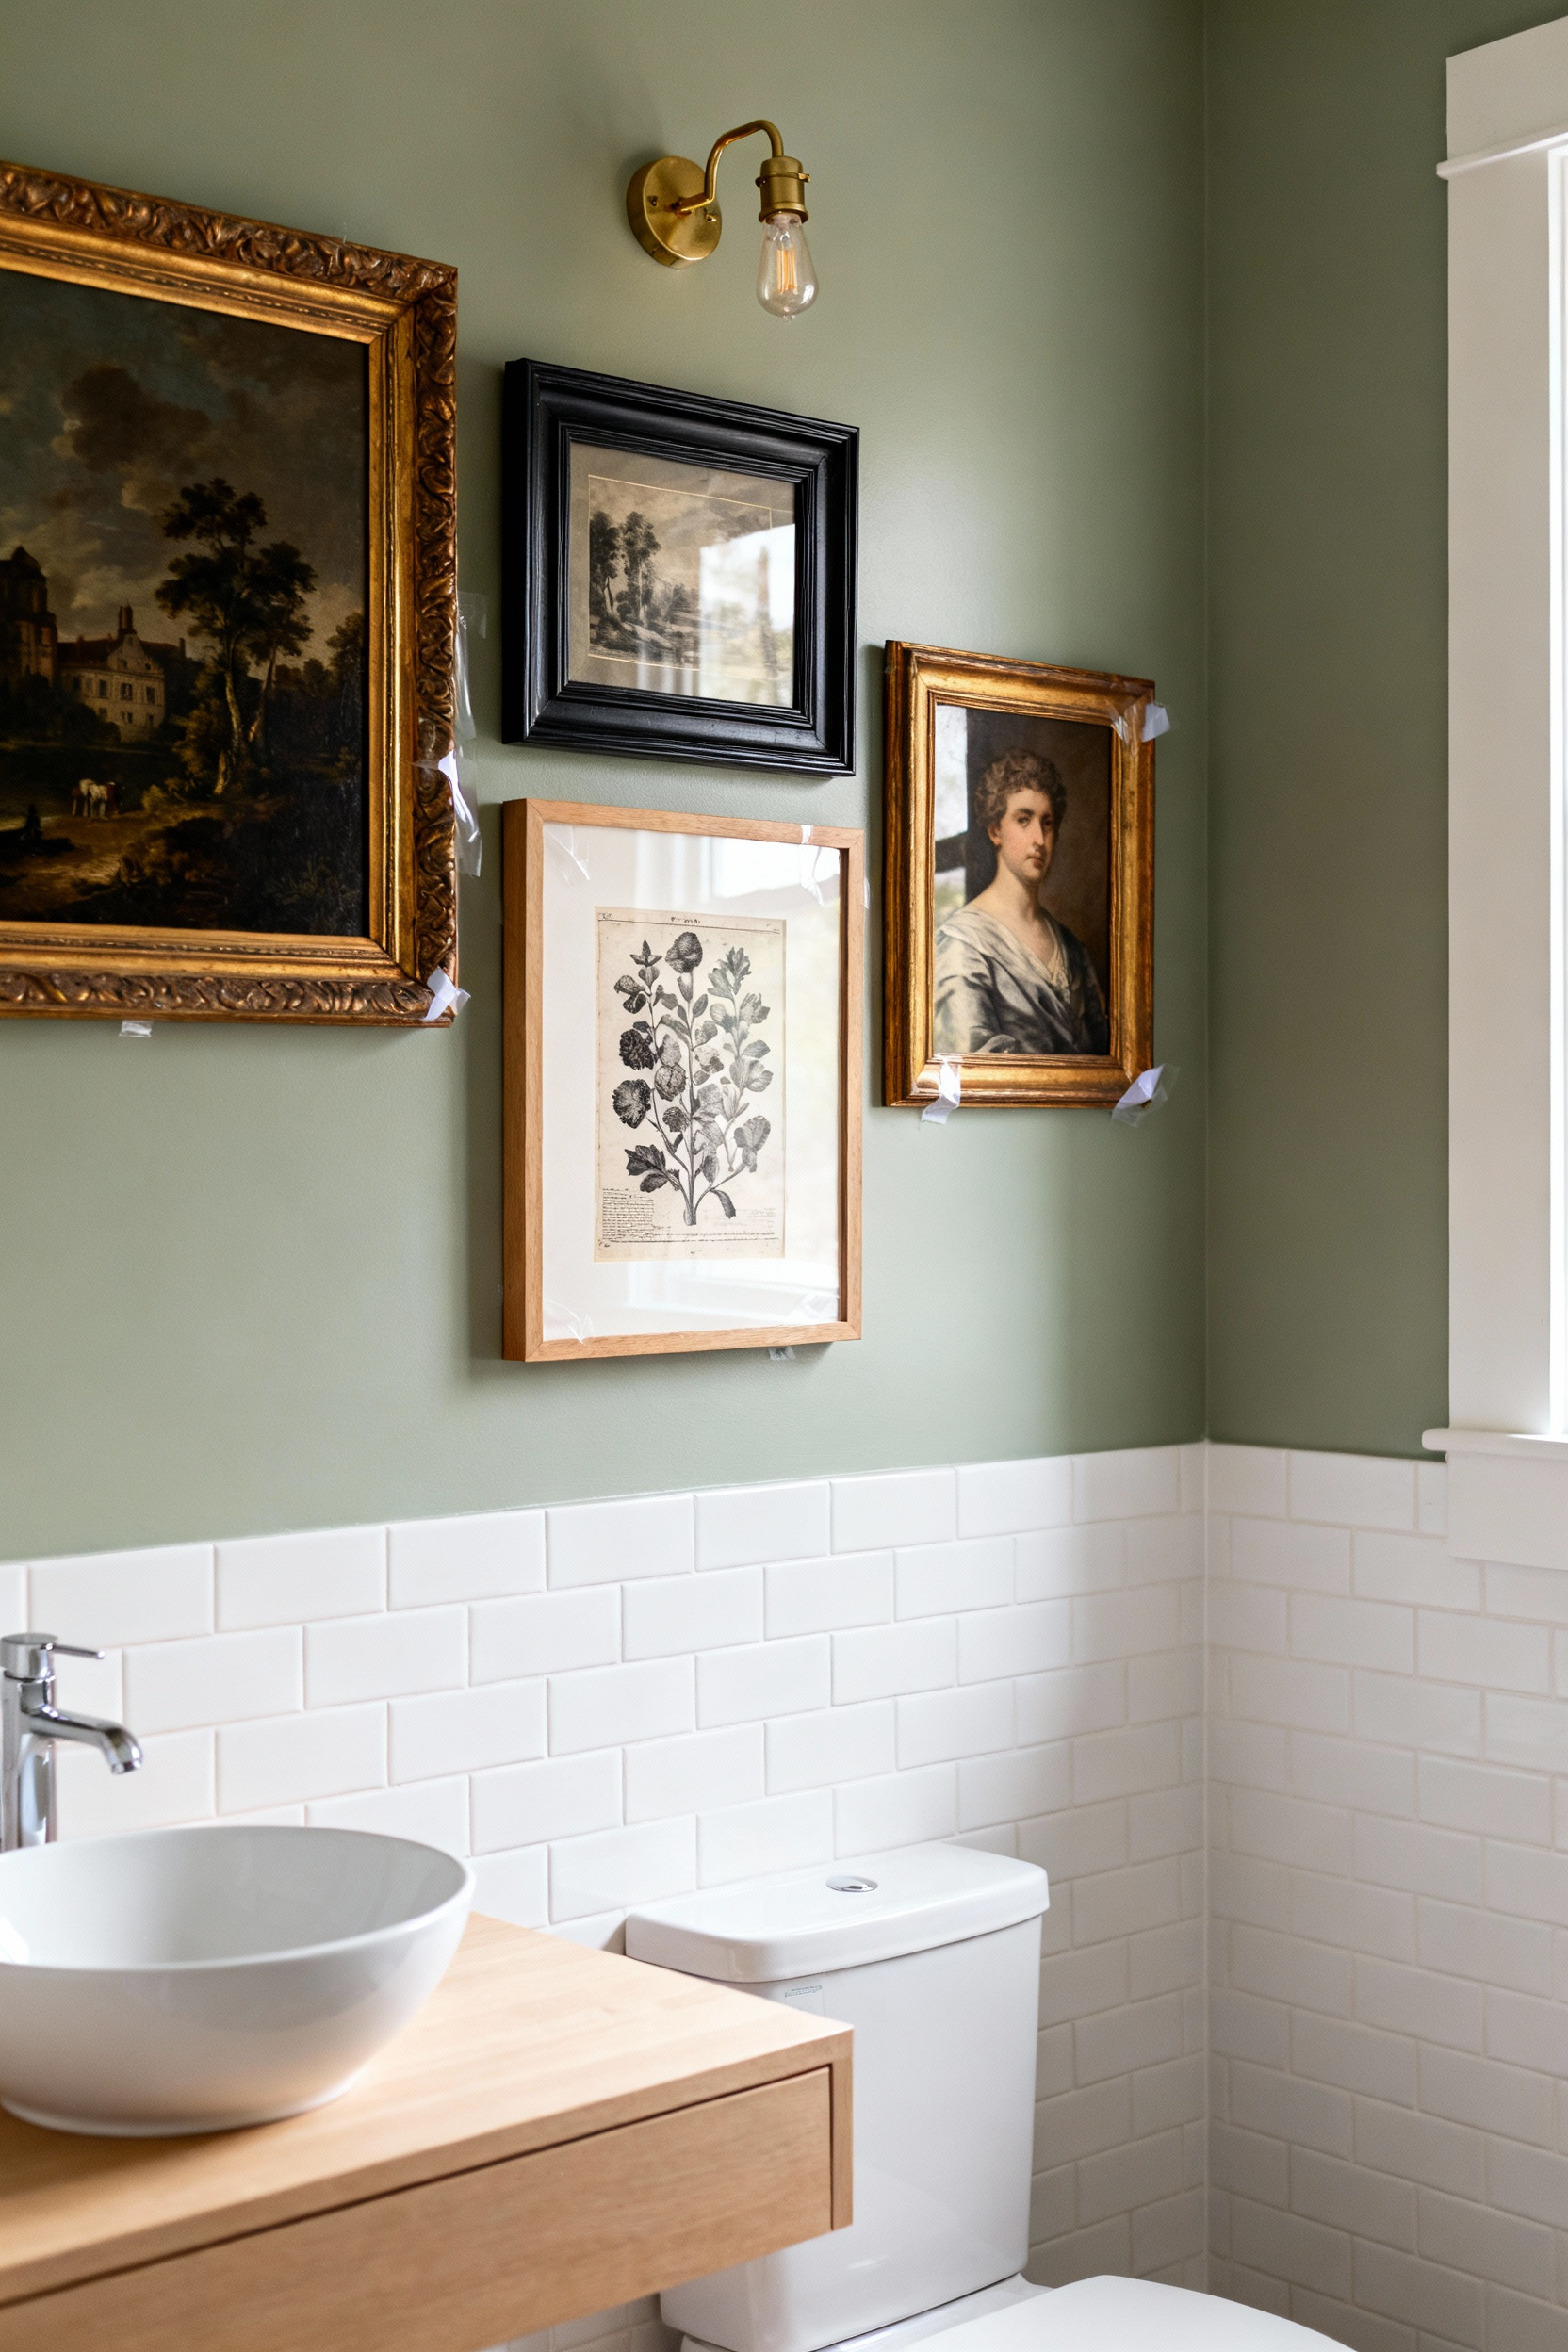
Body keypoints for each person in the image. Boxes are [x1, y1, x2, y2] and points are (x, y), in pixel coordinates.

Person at [934, 745, 1108, 1056]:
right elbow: (968, 1063)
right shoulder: (963, 944)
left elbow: (1102, 1051)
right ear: (995, 830)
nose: (1039, 840)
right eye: (1024, 820)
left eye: (1047, 823)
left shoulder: (1070, 947)